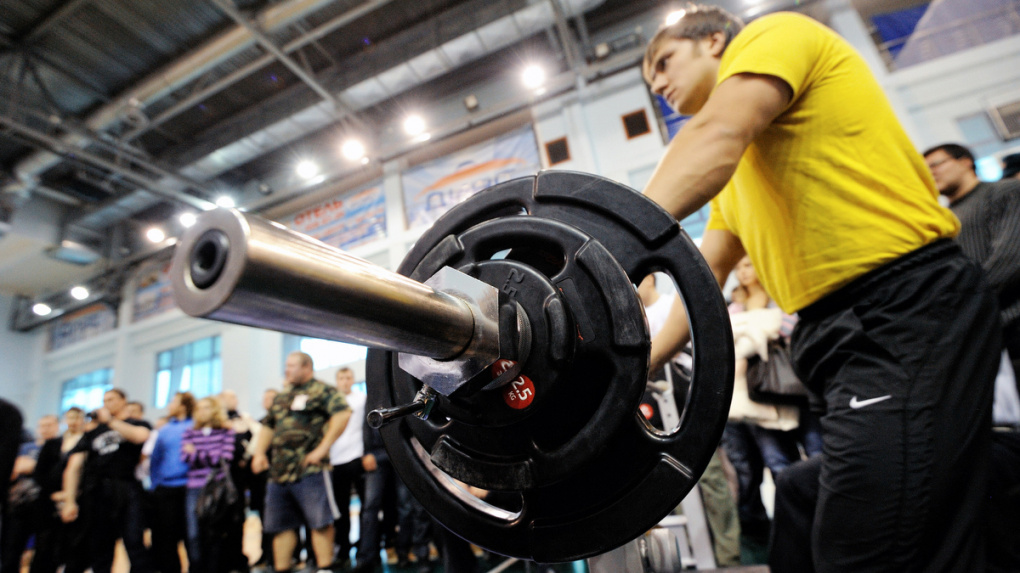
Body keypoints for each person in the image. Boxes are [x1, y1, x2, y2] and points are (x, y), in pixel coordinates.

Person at [641, 6, 999, 572]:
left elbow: (716, 132)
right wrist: (636, 366)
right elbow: (701, 277)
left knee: (862, 548)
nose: (657, 83)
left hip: (900, 307)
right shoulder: (738, 174)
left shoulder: (772, 35)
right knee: (807, 502)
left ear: (713, 40)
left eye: (663, 62)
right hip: (841, 338)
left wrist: (602, 244)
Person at [923, 143, 1020, 572]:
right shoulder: (938, 220)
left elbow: (1012, 257)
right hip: (975, 342)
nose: (933, 173)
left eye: (938, 164)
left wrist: (965, 305)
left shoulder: (1002, 194)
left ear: (966, 160)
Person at [251, 352, 351, 573]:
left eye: (292, 365)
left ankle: (325, 568)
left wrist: (323, 448)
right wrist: (259, 453)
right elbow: (268, 425)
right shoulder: (282, 396)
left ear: (307, 367)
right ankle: (282, 569)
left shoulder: (322, 391)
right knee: (280, 526)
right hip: (278, 473)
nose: (287, 370)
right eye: (286, 365)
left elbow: (342, 414)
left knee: (320, 522)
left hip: (311, 469)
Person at [60, 389, 154, 573]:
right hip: (98, 492)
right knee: (100, 546)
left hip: (127, 487)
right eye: (104, 400)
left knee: (134, 541)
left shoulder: (136, 423)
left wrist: (110, 421)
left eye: (111, 399)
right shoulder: (94, 432)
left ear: (123, 400)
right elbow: (73, 467)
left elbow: (140, 436)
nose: (106, 403)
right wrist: (69, 500)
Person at [181, 397, 237, 573]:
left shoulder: (226, 431)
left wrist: (197, 453)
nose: (202, 411)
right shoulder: (189, 432)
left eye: (206, 407)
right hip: (194, 488)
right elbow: (185, 458)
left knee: (215, 532)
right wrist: (209, 454)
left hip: (217, 488)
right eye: (199, 408)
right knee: (193, 534)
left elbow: (224, 458)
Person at [29, 408, 85, 573]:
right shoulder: (52, 444)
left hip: (77, 500)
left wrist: (71, 495)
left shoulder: (86, 442)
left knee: (71, 547)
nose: (73, 421)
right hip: (48, 502)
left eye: (77, 417)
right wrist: (53, 494)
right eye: (70, 417)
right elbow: (39, 473)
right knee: (44, 546)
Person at [149, 392, 195, 573]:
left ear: (183, 405)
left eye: (173, 401)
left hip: (190, 489)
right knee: (166, 539)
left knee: (192, 536)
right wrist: (156, 484)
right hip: (166, 490)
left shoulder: (195, 426)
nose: (169, 405)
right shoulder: (165, 429)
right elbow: (155, 459)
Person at [329, 367, 366, 568]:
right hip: (335, 460)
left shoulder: (362, 399)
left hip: (357, 456)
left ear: (353, 379)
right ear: (337, 380)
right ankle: (343, 550)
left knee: (365, 506)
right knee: (340, 509)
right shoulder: (331, 402)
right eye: (341, 378)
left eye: (348, 377)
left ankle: (364, 547)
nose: (345, 381)